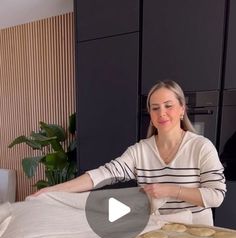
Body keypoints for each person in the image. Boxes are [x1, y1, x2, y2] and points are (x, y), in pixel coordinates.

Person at [33, 80, 226, 225]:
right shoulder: (140, 151)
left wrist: (169, 190)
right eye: (155, 108)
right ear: (149, 114)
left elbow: (216, 196)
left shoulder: (201, 146)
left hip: (198, 231)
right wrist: (50, 191)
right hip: (157, 229)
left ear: (182, 109)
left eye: (169, 106)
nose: (162, 113)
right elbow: (103, 174)